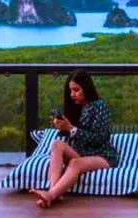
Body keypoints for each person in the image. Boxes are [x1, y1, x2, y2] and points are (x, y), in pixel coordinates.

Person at [31, 70, 118, 208]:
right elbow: (72, 137)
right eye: (71, 90)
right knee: (57, 145)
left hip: (101, 155)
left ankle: (51, 195)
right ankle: (54, 191)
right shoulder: (76, 107)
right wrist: (62, 128)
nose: (72, 94)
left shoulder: (99, 106)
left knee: (75, 164)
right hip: (82, 153)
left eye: (76, 90)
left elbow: (101, 138)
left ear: (87, 88)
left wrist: (71, 128)